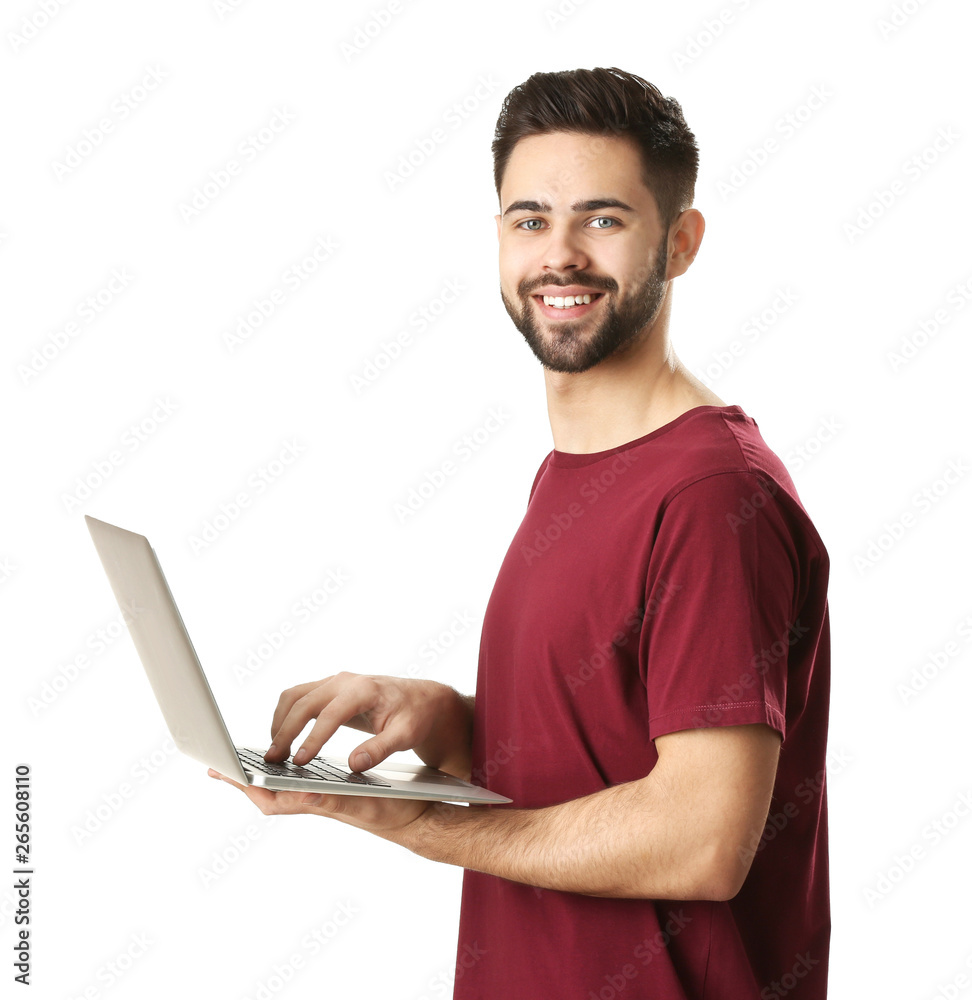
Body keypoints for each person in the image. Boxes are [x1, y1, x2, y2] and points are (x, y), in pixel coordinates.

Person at [209, 66, 831, 999]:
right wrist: (453, 725)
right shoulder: (574, 474)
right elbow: (602, 750)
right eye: (530, 219)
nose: (561, 255)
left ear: (683, 241)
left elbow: (701, 842)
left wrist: (397, 819)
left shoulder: (710, 497)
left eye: (604, 218)